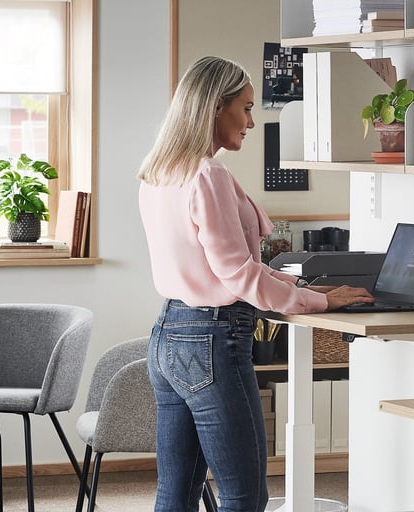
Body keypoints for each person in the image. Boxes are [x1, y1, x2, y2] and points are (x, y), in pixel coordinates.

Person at [137, 56, 374, 512]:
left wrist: (307, 289)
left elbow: (224, 265)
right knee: (244, 496)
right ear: (214, 107)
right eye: (244, 108)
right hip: (212, 339)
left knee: (176, 493)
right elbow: (239, 275)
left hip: (168, 336)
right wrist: (318, 305)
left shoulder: (160, 171)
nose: (250, 121)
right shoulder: (207, 175)